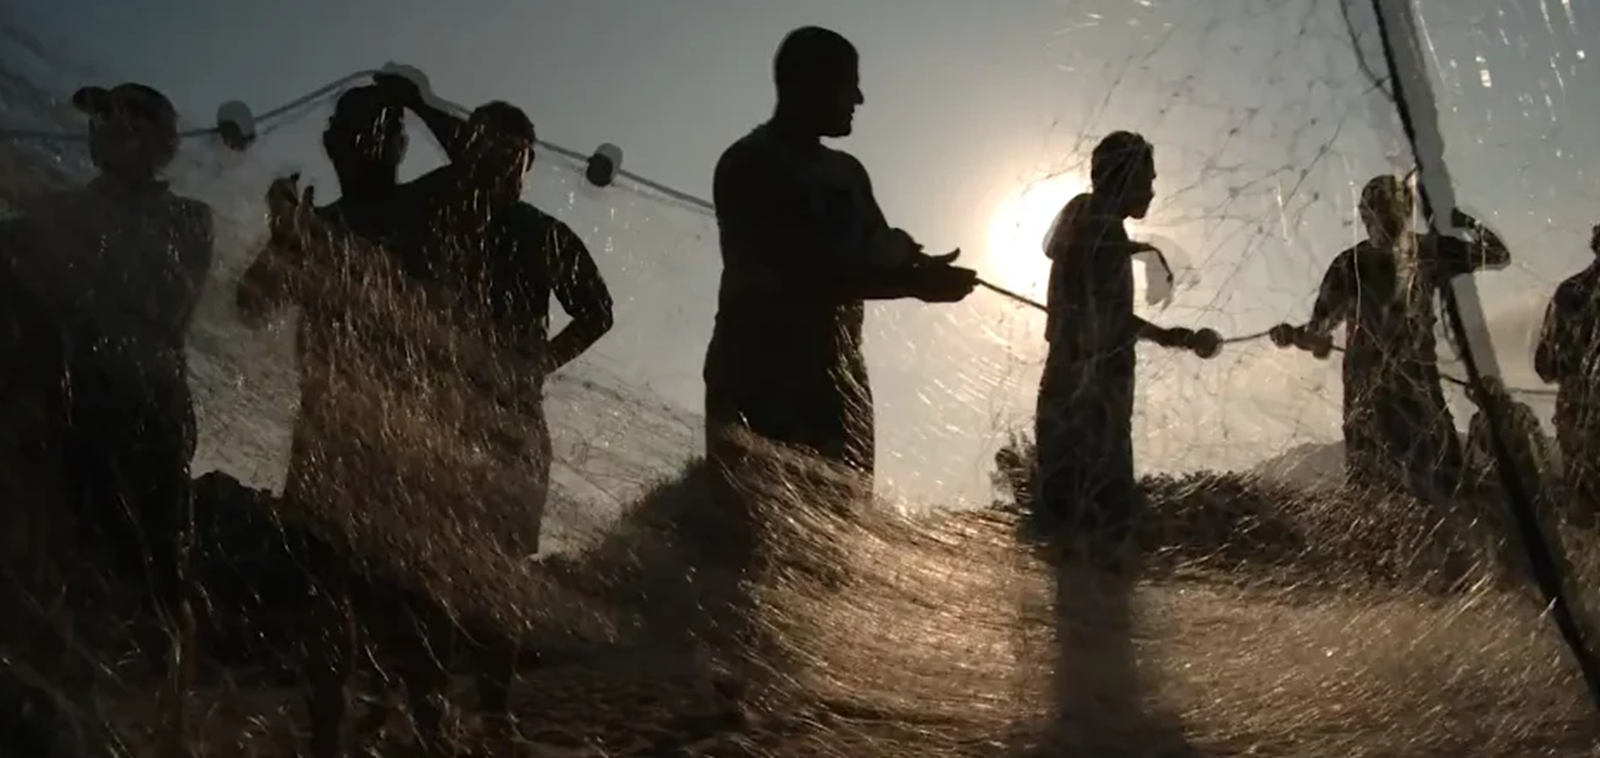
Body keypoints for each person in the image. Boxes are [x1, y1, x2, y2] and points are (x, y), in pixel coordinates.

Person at [3, 82, 214, 757]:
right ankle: (72, 716)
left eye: (127, 120)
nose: (107, 130)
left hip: (150, 412)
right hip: (70, 414)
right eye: (101, 120)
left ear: (162, 143)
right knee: (62, 564)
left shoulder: (189, 218)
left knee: (158, 575)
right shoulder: (62, 213)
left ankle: (171, 728)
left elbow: (160, 298)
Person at [704, 25, 978, 495]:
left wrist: (920, 267)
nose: (859, 98)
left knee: (839, 520)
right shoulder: (752, 164)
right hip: (758, 381)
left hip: (838, 385)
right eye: (848, 83)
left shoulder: (848, 174)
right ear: (808, 84)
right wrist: (913, 286)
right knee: (744, 521)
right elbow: (803, 275)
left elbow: (874, 250)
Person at [1032, 131, 1222, 547]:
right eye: (1146, 180)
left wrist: (1137, 249)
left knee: (1064, 518)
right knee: (1100, 522)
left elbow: (1066, 252)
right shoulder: (1101, 223)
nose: (1152, 191)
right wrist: (1172, 336)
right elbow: (1109, 318)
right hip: (1092, 398)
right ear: (1122, 177)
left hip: (1072, 386)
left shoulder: (1086, 216)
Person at [1271, 174, 1510, 498]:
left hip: (1392, 395)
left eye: (1389, 209)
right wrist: (1296, 336)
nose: (1384, 218)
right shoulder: (1402, 255)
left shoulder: (1374, 259)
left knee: (1413, 492)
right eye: (1378, 210)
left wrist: (1297, 337)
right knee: (1423, 491)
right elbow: (1318, 335)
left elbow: (1497, 255)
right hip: (1392, 395)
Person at [1535, 223, 1600, 525]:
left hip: (1574, 418)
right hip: (1582, 419)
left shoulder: (1567, 293)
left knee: (1582, 512)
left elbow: (1544, 367)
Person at [1460, 374, 1556, 498]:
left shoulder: (1520, 412)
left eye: (1488, 401)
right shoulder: (1477, 421)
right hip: (1499, 478)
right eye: (1479, 403)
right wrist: (1464, 479)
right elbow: (1468, 455)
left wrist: (1547, 470)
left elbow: (1540, 441)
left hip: (1526, 474)